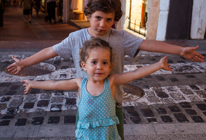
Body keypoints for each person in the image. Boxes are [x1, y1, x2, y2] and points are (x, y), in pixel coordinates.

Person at [7, 0, 204, 140]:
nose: (102, 24)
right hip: (84, 106)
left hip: (112, 105)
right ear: (88, 16)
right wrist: (24, 63)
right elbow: (51, 50)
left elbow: (148, 43)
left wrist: (179, 50)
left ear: (115, 20)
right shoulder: (75, 38)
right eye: (98, 18)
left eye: (109, 20)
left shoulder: (120, 38)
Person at [21, 38, 172, 140]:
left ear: (110, 66)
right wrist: (33, 83)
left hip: (108, 136)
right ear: (84, 65)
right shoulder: (79, 83)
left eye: (105, 63)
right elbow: (54, 84)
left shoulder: (111, 81)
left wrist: (158, 65)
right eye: (94, 62)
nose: (100, 66)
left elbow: (135, 73)